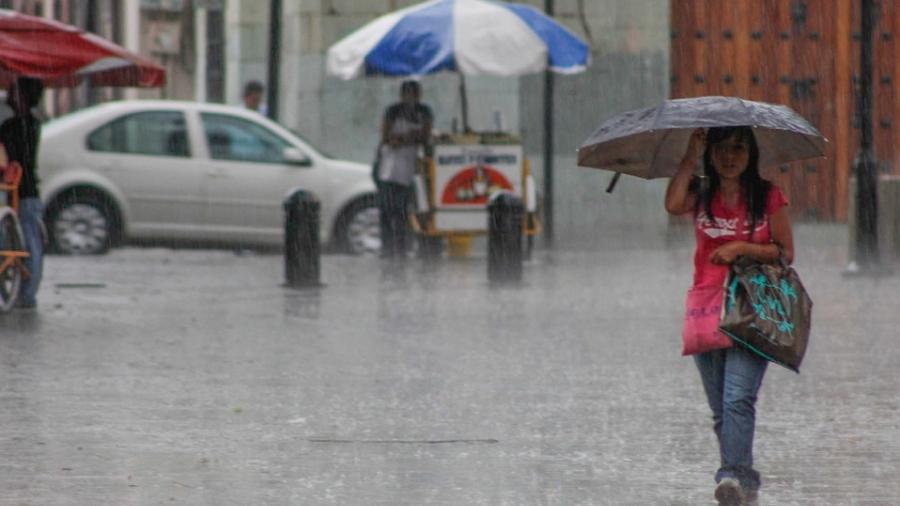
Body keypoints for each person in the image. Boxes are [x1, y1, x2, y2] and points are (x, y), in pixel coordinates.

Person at [665, 126, 794, 506]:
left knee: (739, 398)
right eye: (721, 149)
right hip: (706, 308)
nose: (729, 157)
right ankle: (744, 481)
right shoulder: (702, 194)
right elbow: (673, 204)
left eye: (738, 148)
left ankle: (730, 476)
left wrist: (741, 247)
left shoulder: (768, 196)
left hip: (753, 308)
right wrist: (690, 156)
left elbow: (785, 251)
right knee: (722, 408)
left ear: (751, 153)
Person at [0, 77, 45, 309]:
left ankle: (26, 295)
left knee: (27, 244)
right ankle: (27, 293)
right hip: (28, 190)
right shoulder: (33, 123)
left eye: (12, 89)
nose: (7, 92)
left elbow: (12, 160)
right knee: (30, 243)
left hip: (21, 191)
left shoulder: (14, 127)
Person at [376, 80, 432, 258]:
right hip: (388, 167)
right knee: (386, 209)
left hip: (409, 168)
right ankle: (387, 247)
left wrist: (405, 139)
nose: (409, 98)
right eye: (406, 94)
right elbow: (387, 137)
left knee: (403, 210)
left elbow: (424, 136)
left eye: (413, 95)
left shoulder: (423, 112)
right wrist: (404, 138)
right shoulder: (393, 111)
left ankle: (402, 246)